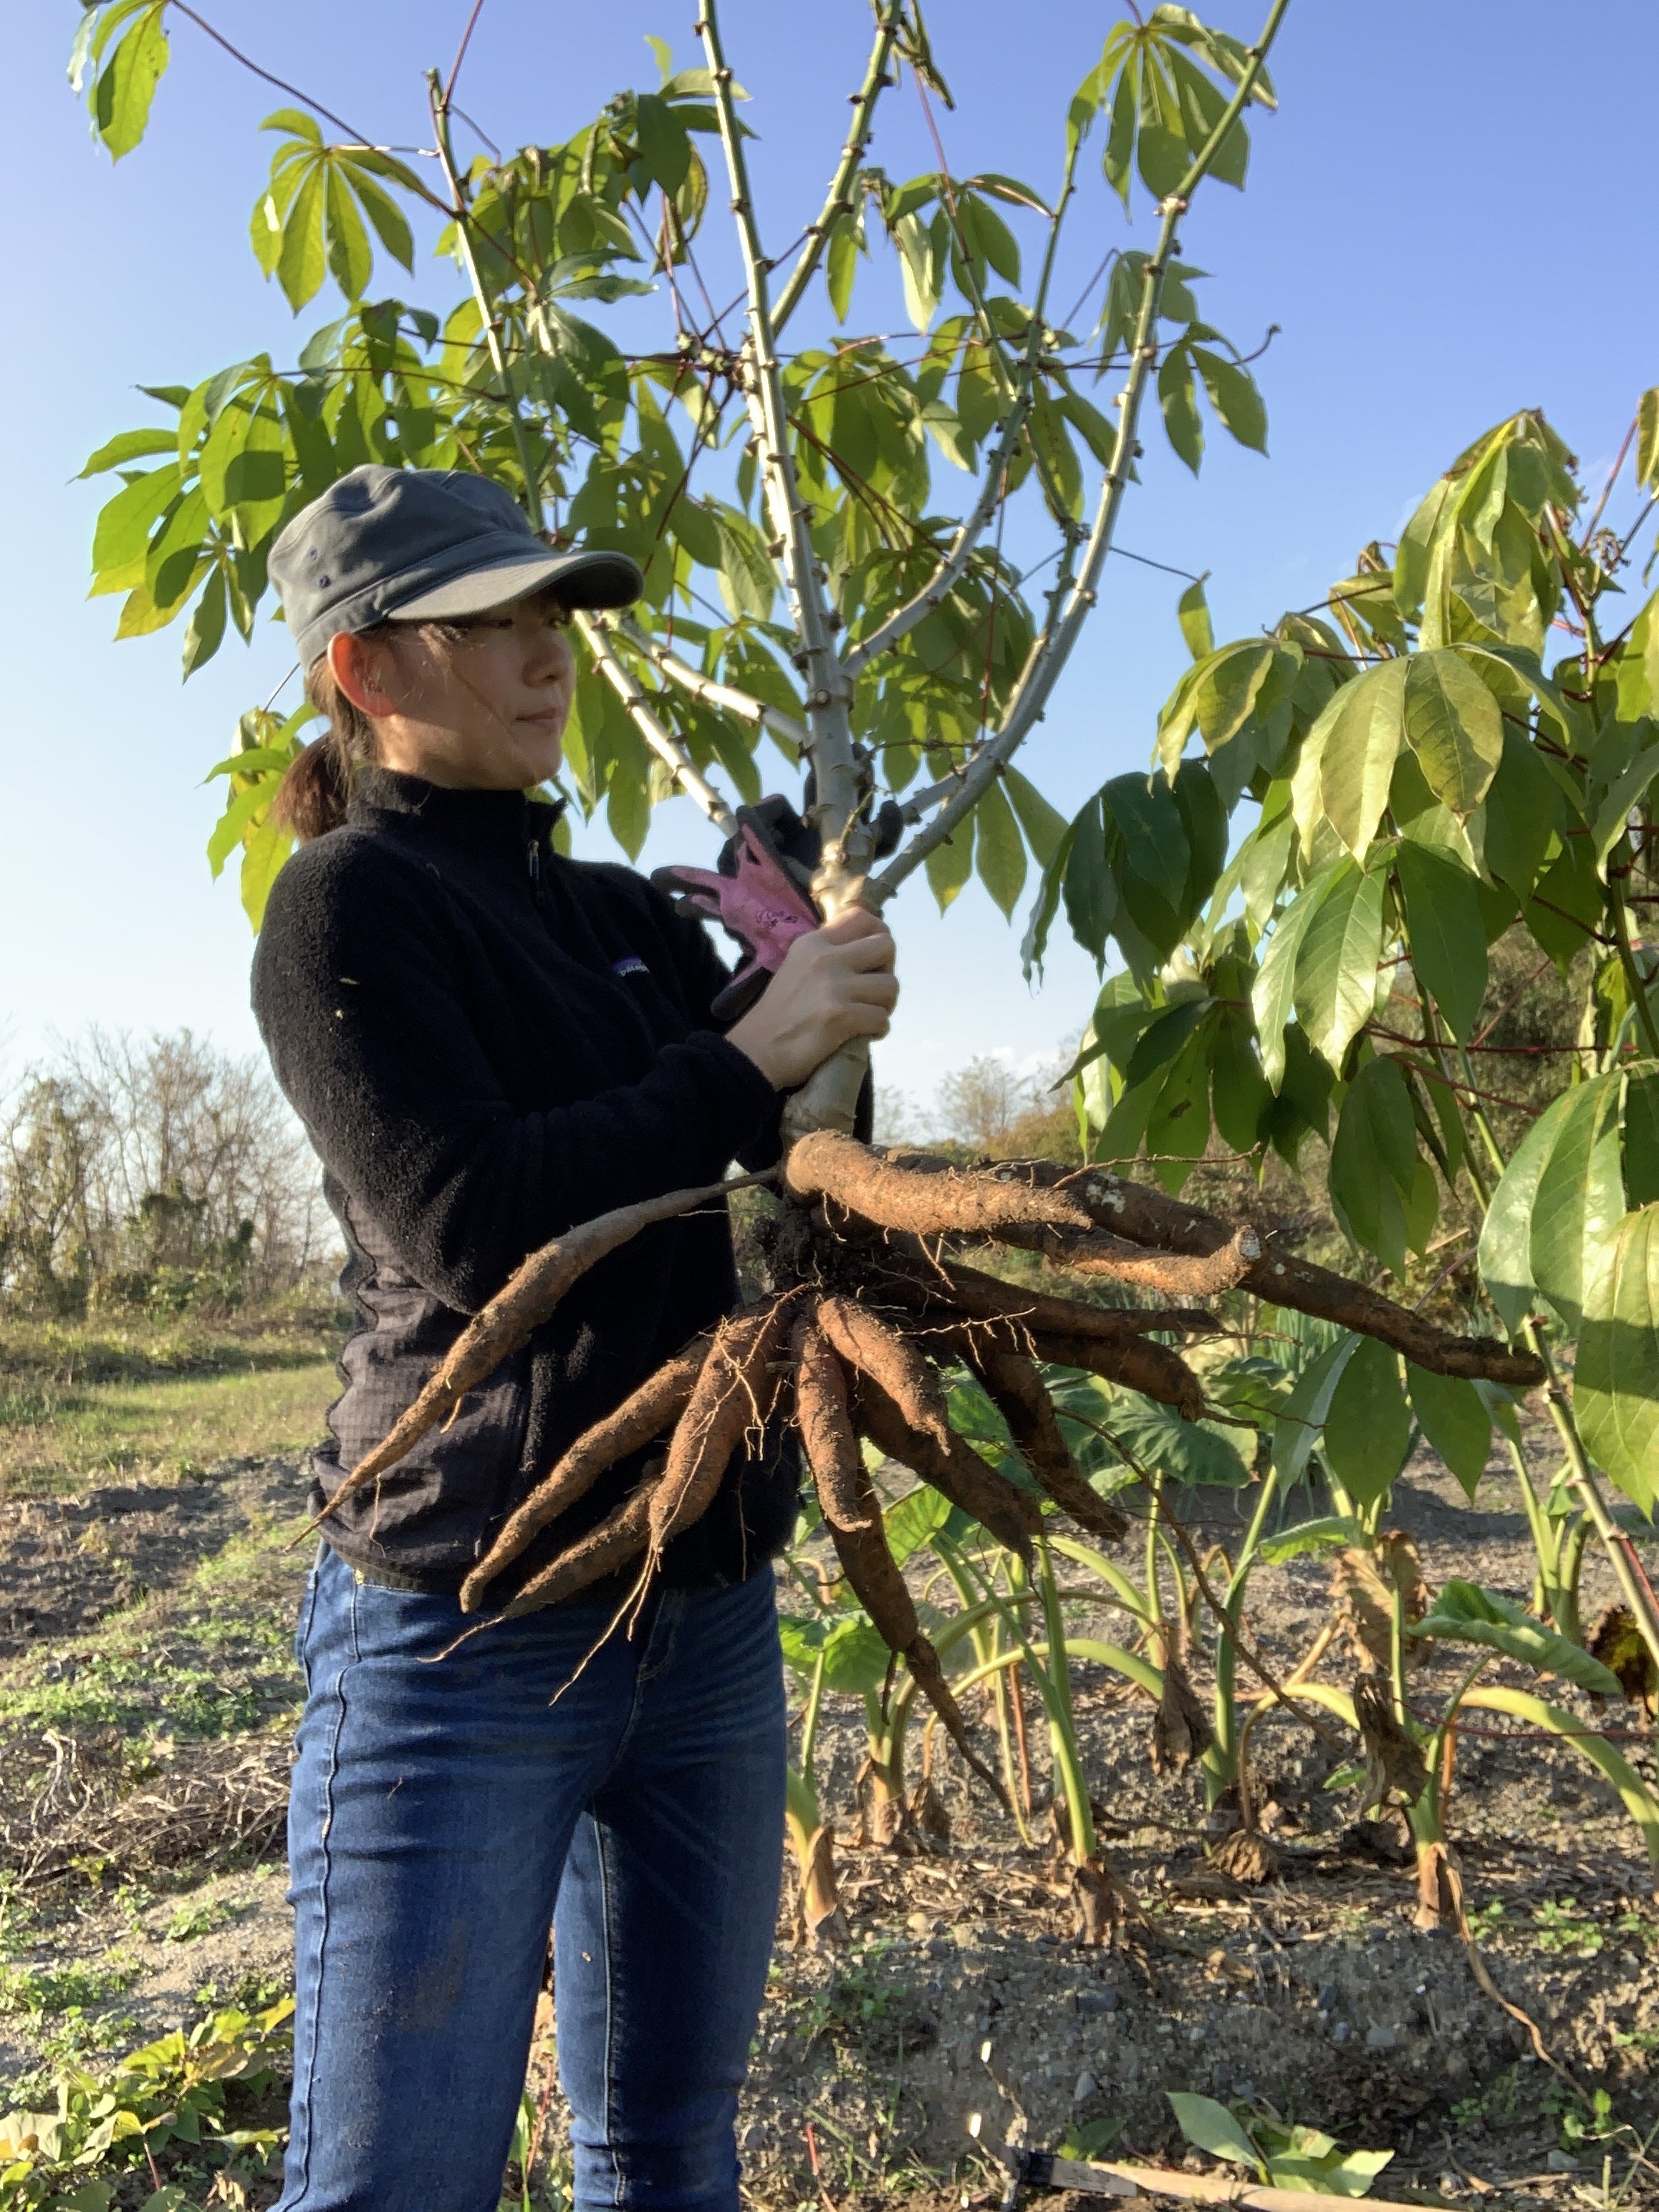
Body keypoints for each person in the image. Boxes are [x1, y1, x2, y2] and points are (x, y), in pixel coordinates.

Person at [251, 464, 898, 2212]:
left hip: (703, 1624)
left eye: (556, 618)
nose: (549, 658)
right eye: (496, 625)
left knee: (669, 2152)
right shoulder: (348, 911)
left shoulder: (622, 915)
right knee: (401, 2183)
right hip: (464, 1628)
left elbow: (777, 1158)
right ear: (368, 670)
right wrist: (742, 1056)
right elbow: (476, 1226)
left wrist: (813, 988)